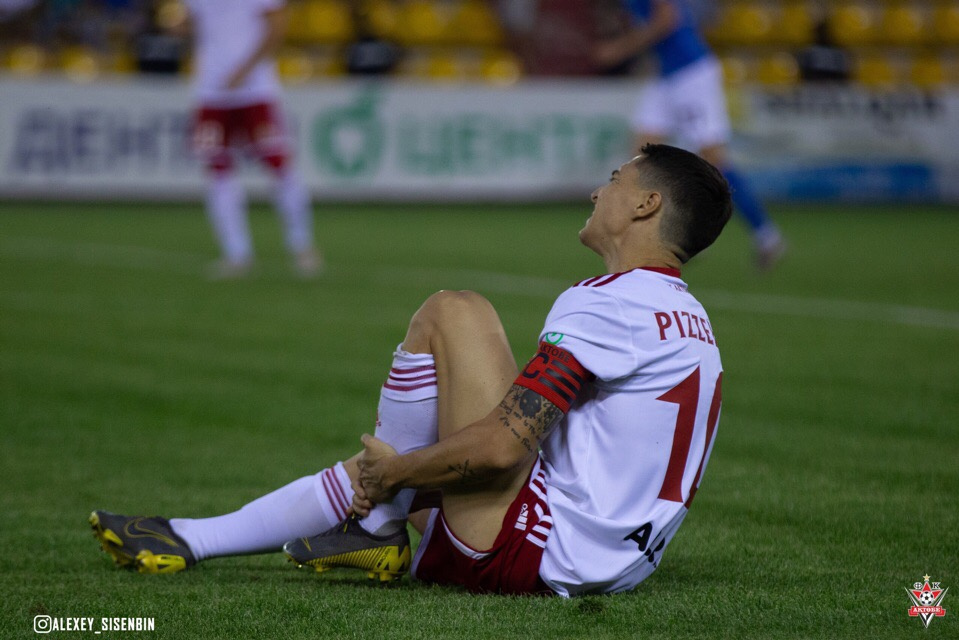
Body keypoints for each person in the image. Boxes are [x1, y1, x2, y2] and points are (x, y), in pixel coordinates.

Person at [91, 144, 731, 596]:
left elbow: (502, 450)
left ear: (646, 204)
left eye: (616, 178)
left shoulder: (612, 301)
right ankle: (191, 538)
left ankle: (376, 523)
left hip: (537, 551)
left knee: (454, 312)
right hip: (613, 561)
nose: (598, 190)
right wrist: (402, 470)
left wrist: (394, 474)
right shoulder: (689, 318)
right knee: (421, 454)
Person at [593, 0, 785, 270]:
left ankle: (766, 234)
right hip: (666, 76)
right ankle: (677, 234)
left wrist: (621, 48)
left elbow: (667, 18)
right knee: (642, 156)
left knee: (713, 160)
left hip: (691, 73)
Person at [176, 0, 321, 278]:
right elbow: (191, 23)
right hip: (212, 92)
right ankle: (237, 254)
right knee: (217, 170)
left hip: (255, 91)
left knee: (279, 164)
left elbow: (277, 26)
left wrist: (245, 69)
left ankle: (302, 245)